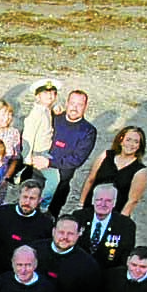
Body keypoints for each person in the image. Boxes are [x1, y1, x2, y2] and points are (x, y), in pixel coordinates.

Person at [78, 125, 147, 217]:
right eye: (128, 140)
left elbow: (132, 200)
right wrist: (81, 204)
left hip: (115, 214)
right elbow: (90, 179)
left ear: (140, 146)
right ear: (121, 140)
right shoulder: (106, 156)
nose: (131, 144)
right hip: (91, 207)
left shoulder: (140, 171)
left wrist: (120, 221)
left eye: (136, 142)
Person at [47, 89, 96, 217]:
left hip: (61, 182)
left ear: (86, 107)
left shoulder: (88, 131)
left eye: (79, 105)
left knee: (50, 217)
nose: (75, 108)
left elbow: (76, 159)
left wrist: (49, 162)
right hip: (40, 174)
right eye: (72, 103)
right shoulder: (54, 119)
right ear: (67, 103)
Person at [19, 78, 61, 207]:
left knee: (37, 182)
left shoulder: (46, 110)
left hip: (45, 151)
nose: (50, 96)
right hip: (39, 153)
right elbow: (28, 136)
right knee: (54, 180)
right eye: (45, 93)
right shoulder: (36, 113)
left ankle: (33, 203)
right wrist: (27, 157)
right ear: (37, 96)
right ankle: (43, 204)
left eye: (53, 93)